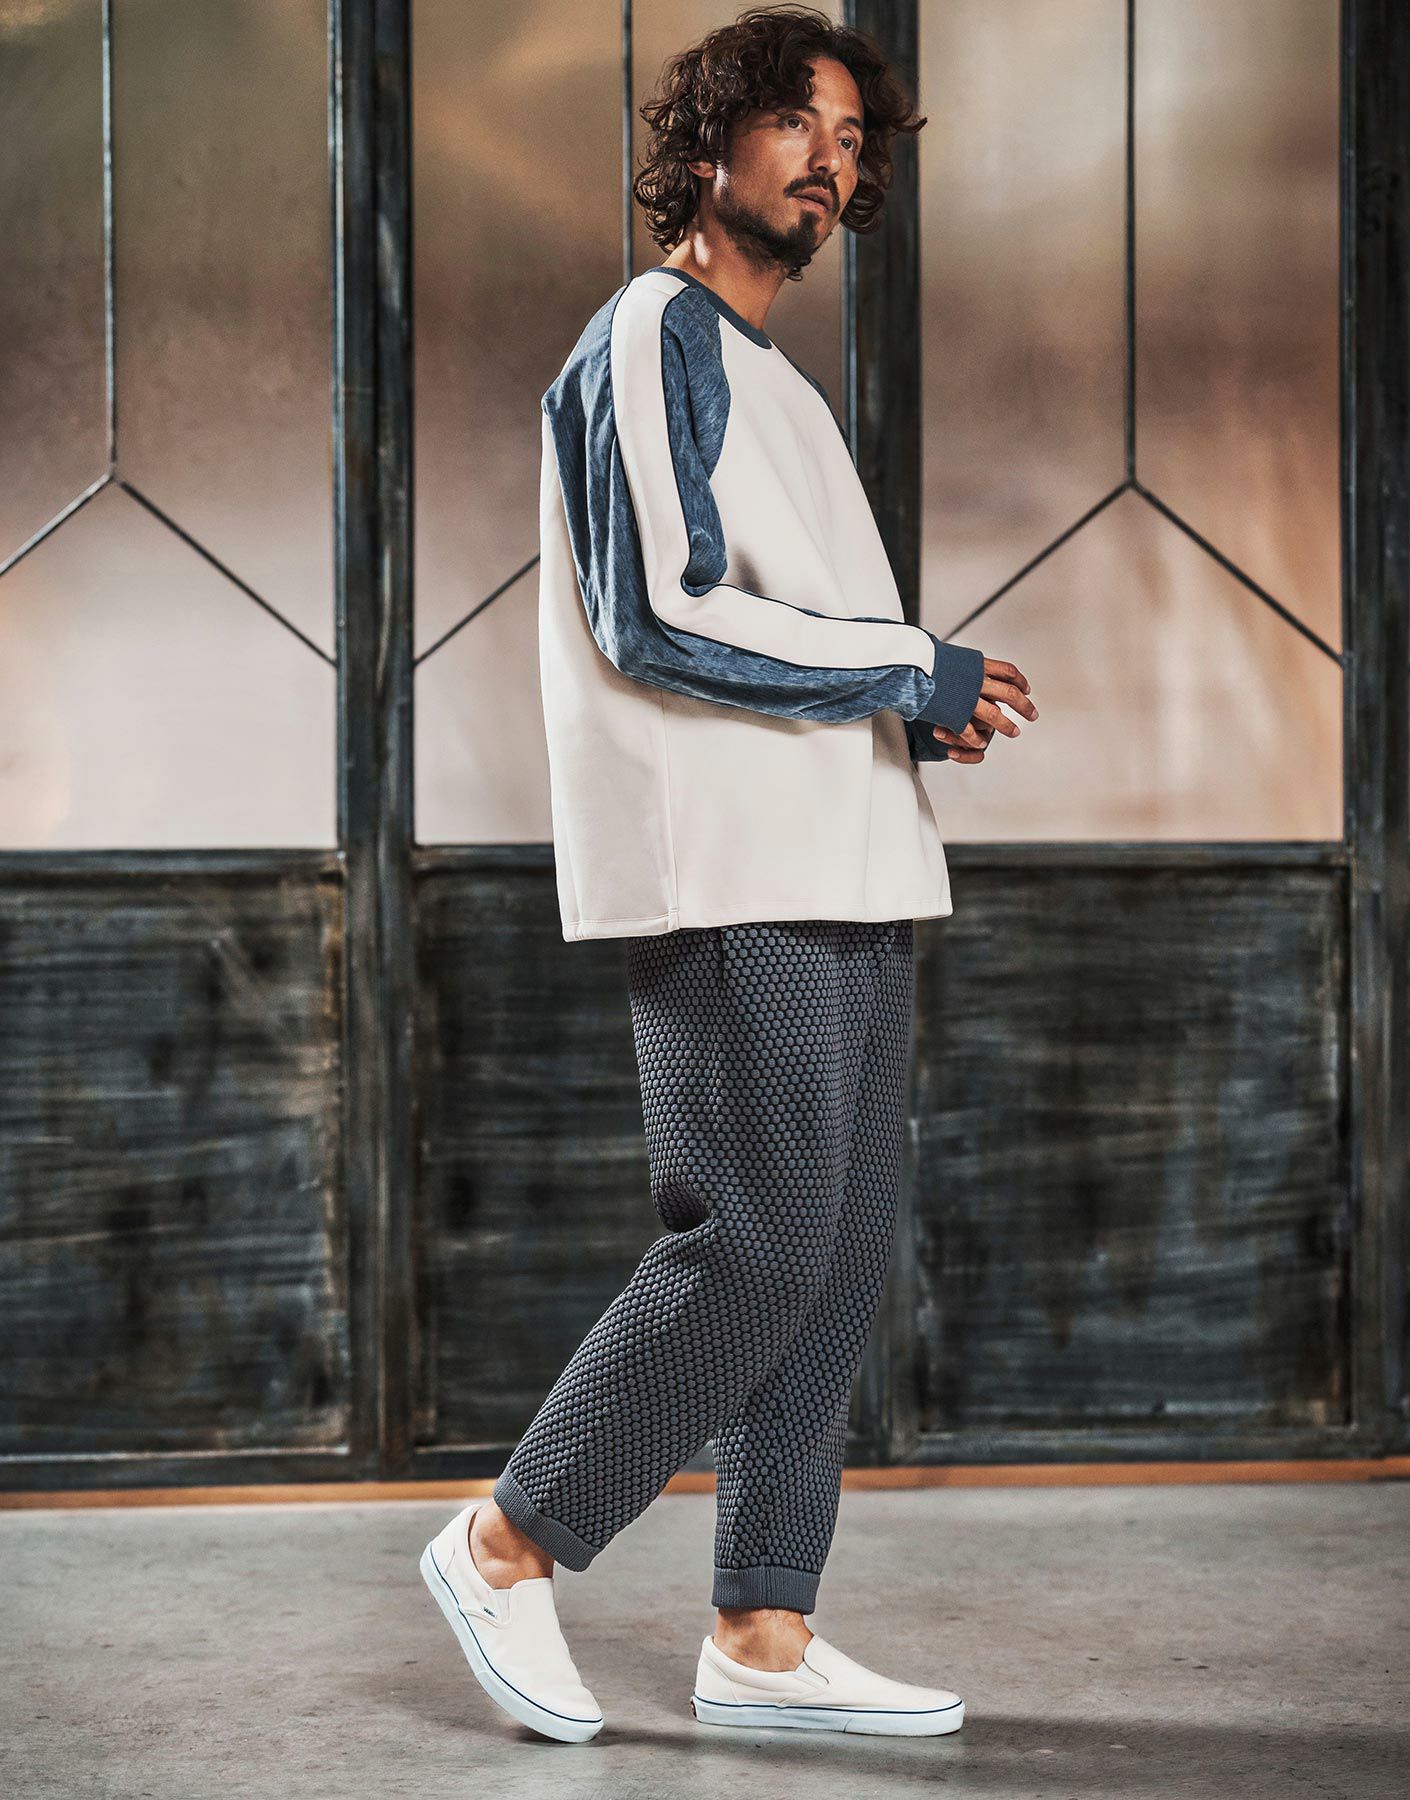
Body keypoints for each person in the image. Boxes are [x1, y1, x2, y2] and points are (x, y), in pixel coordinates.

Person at [420, 4, 1036, 1744]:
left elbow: (785, 633)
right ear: (707, 146)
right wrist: (901, 665)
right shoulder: (650, 333)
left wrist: (906, 711)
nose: (831, 163)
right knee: (752, 1243)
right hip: (729, 872)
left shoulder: (780, 385)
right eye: (799, 126)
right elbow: (661, 610)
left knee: (829, 1270)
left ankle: (763, 1632)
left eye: (853, 143)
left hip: (849, 862)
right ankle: (508, 1540)